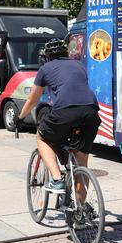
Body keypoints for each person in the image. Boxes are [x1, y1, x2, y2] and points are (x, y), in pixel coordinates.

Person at [16, 38, 101, 194]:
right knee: (82, 165)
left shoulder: (45, 68)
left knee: (42, 137)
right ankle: (81, 211)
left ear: (47, 57)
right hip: (91, 111)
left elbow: (33, 100)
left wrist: (20, 118)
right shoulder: (79, 65)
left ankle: (57, 179)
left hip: (65, 111)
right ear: (67, 53)